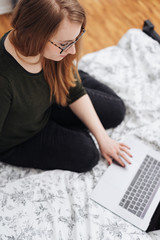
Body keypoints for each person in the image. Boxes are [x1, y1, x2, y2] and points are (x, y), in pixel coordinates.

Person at [0, 0, 132, 172]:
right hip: (19, 138)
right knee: (88, 155)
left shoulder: (53, 51)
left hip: (47, 102)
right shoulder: (4, 79)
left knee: (116, 111)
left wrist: (104, 139)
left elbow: (74, 91)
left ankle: (65, 86)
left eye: (75, 39)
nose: (73, 52)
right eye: (64, 44)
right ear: (34, 35)